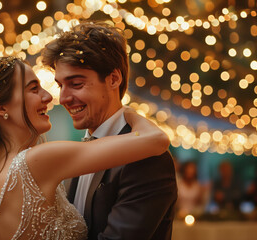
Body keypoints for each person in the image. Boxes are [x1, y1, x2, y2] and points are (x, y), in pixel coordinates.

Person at [0, 56, 170, 240]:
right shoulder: (35, 162)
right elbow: (157, 139)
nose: (48, 97)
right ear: (0, 106)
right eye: (33, 89)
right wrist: (128, 112)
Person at [42, 21, 178, 239]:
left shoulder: (146, 157)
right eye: (60, 85)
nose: (64, 98)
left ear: (113, 79)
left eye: (76, 84)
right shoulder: (77, 152)